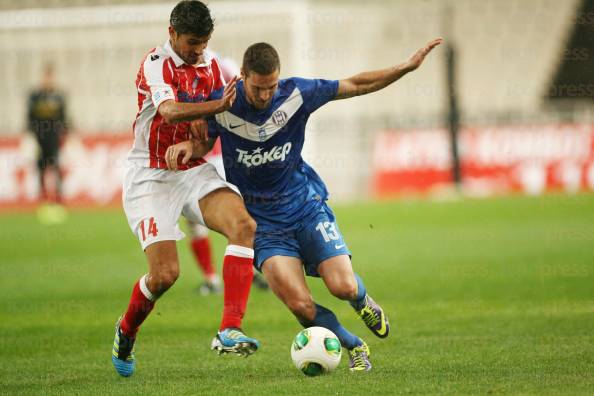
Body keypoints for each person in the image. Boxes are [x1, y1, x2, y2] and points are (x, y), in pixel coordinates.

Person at [166, 38, 443, 371]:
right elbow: (204, 143)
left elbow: (354, 84)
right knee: (299, 304)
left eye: (271, 87)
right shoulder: (222, 105)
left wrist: (404, 68)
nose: (265, 95)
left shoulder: (296, 93)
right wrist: (188, 148)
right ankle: (355, 346)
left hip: (305, 207)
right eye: (258, 88)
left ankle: (361, 300)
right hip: (263, 225)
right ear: (242, 76)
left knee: (343, 286)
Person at [112, 0, 259, 378]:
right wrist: (217, 105)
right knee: (164, 276)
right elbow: (171, 112)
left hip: (191, 169)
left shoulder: (209, 64)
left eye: (204, 42)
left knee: (243, 226)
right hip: (150, 177)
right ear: (172, 33)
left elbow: (208, 133)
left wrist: (198, 144)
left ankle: (229, 329)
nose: (198, 50)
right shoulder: (155, 64)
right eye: (192, 42)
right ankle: (126, 331)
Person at [27, 63, 68, 222]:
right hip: (39, 139)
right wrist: (30, 138)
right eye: (46, 77)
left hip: (54, 139)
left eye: (50, 77)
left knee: (56, 168)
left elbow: (64, 119)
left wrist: (66, 136)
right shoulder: (34, 96)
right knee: (41, 169)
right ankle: (43, 200)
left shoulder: (59, 96)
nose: (48, 80)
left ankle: (58, 201)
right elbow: (29, 118)